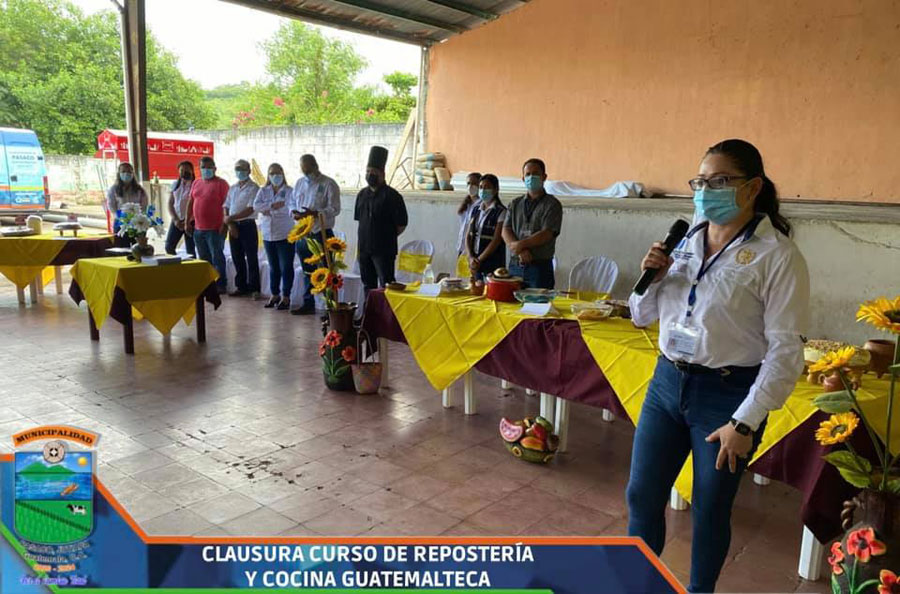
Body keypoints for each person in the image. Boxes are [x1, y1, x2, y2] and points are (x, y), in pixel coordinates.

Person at [625, 139, 809, 593]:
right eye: (701, 182)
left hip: (727, 398)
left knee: (710, 508)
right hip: (667, 384)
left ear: (753, 187)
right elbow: (640, 315)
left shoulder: (777, 256)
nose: (707, 191)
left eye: (720, 181)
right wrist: (653, 279)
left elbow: (785, 351)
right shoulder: (685, 241)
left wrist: (745, 422)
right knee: (642, 496)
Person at [290, 154, 341, 315]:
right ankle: (308, 303)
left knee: (326, 270)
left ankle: (330, 305)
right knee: (307, 270)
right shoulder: (299, 183)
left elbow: (335, 209)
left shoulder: (329, 184)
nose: (306, 173)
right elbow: (291, 202)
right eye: (303, 170)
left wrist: (315, 213)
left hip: (321, 233)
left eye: (308, 169)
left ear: (315, 165)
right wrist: (294, 212)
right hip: (303, 233)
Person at [502, 158, 562, 289]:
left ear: (544, 177)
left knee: (539, 301)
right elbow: (506, 229)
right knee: (512, 301)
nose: (531, 177)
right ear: (523, 178)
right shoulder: (515, 203)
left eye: (535, 174)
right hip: (515, 265)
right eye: (528, 174)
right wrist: (520, 250)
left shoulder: (552, 204)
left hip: (539, 267)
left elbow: (547, 233)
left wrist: (521, 244)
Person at [354, 146, 408, 292]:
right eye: (367, 171)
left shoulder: (393, 196)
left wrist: (384, 236)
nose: (369, 174)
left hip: (384, 250)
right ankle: (369, 307)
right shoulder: (361, 195)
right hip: (364, 248)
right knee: (368, 286)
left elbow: (401, 224)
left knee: (387, 285)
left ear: (382, 174)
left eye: (373, 172)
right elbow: (360, 221)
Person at [253, 163, 295, 310]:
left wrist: (268, 209)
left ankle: (286, 296)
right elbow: (256, 206)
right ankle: (274, 294)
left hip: (285, 234)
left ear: (283, 174)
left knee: (286, 266)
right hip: (268, 234)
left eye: (278, 173)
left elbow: (287, 209)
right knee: (273, 267)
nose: (275, 176)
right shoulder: (263, 190)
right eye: (272, 173)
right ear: (268, 175)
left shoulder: (290, 191)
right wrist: (272, 206)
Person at [186, 156, 229, 294]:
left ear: (215, 168)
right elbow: (190, 202)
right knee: (204, 259)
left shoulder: (221, 184)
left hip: (215, 229)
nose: (206, 170)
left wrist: (224, 224)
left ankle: (221, 284)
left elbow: (227, 205)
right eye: (203, 167)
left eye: (209, 167)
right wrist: (187, 221)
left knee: (217, 258)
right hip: (198, 229)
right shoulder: (196, 183)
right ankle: (208, 285)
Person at [224, 159, 261, 298]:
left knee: (251, 257)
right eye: (237, 169)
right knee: (237, 257)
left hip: (247, 225)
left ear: (249, 171)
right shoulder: (233, 188)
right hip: (233, 226)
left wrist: (231, 218)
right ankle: (241, 286)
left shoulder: (254, 188)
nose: (240, 172)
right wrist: (230, 222)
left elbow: (250, 209)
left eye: (243, 169)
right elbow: (226, 206)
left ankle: (254, 288)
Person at [466, 174, 507, 281]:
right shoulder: (475, 209)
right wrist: (470, 257)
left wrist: (479, 260)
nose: (483, 190)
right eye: (481, 187)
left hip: (492, 262)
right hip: (474, 261)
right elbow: (468, 235)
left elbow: (496, 240)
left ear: (496, 190)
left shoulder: (501, 211)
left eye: (487, 187)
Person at [107, 162, 148, 247]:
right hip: (120, 222)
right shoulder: (114, 189)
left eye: (129, 172)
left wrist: (138, 217)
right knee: (121, 248)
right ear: (119, 173)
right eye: (123, 171)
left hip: (137, 222)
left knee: (138, 248)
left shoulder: (139, 190)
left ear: (133, 173)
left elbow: (144, 205)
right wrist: (120, 217)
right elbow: (111, 206)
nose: (126, 174)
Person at [165, 160, 196, 257]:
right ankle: (175, 264)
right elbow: (170, 203)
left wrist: (187, 221)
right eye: (181, 170)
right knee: (169, 247)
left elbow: (196, 205)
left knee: (190, 250)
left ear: (192, 171)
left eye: (187, 170)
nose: (184, 172)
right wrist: (175, 219)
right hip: (177, 220)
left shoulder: (195, 185)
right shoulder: (175, 184)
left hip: (191, 221)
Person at [456, 172, 482, 256]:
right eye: (468, 183)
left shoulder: (482, 205)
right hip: (462, 247)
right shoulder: (466, 204)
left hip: (473, 248)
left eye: (474, 183)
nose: (470, 186)